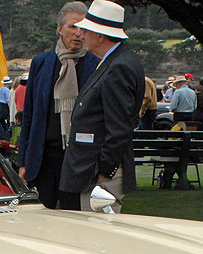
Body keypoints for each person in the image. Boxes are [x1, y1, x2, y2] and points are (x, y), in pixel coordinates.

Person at [59, 0, 144, 212]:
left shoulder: (119, 66)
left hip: (100, 174)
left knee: (97, 236)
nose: (82, 34)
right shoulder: (115, 61)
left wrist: (105, 169)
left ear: (100, 35)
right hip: (93, 170)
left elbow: (119, 127)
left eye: (87, 30)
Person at [18, 1, 98, 210]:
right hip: (43, 160)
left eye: (84, 28)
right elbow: (29, 116)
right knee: (39, 225)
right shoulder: (42, 63)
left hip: (78, 160)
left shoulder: (95, 64)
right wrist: (23, 162)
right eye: (73, 26)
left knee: (75, 224)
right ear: (60, 29)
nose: (79, 33)